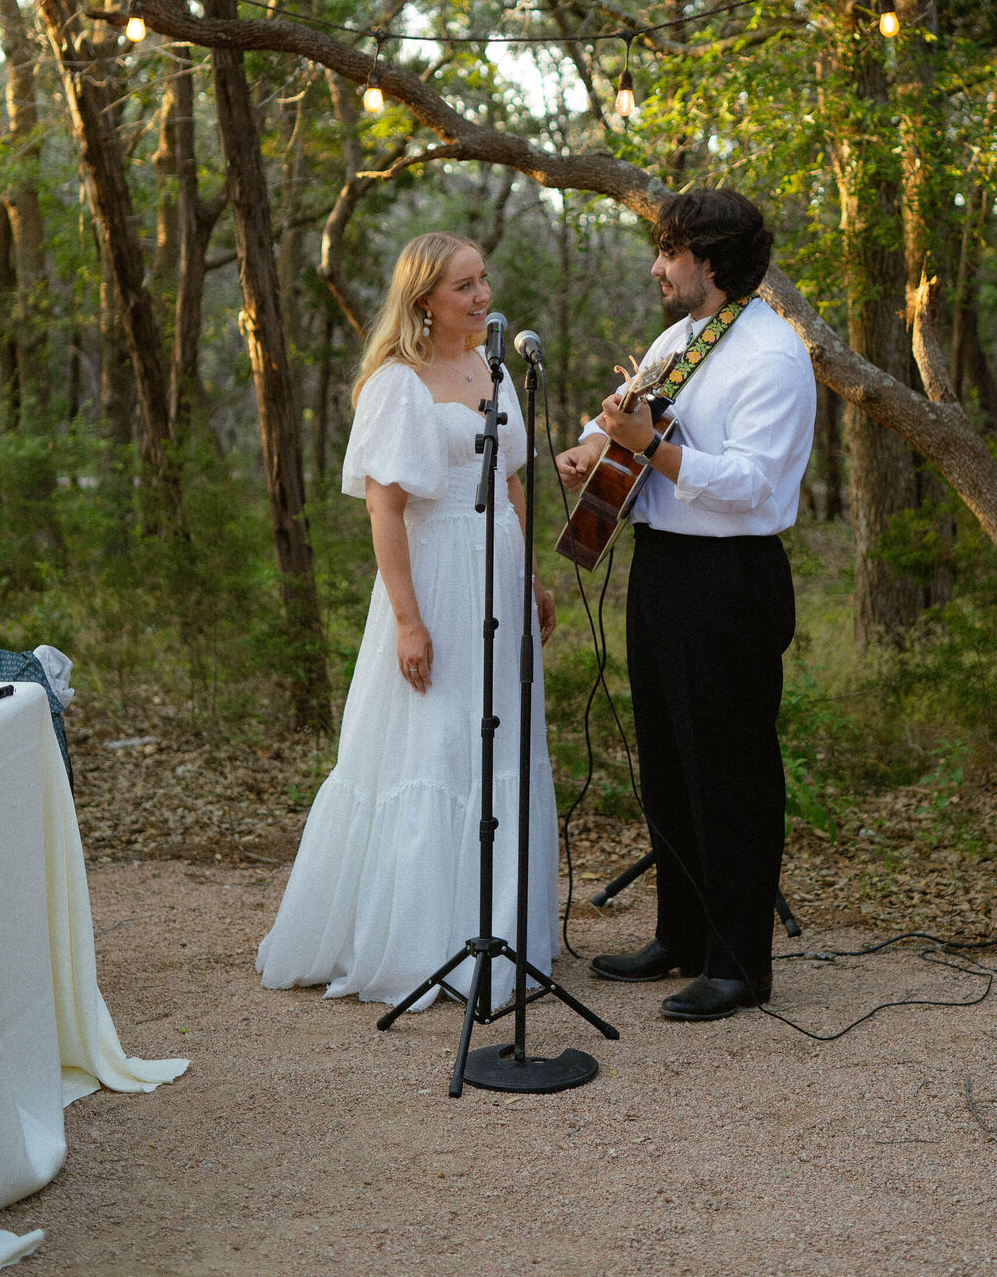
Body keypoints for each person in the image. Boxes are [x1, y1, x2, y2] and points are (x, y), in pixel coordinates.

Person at [257, 232, 560, 1011]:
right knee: (438, 744)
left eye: (484, 279)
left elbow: (514, 481)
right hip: (434, 576)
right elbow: (385, 510)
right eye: (465, 285)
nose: (482, 295)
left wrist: (530, 576)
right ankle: (422, 942)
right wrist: (408, 622)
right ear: (424, 299)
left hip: (497, 574)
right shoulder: (397, 384)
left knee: (496, 742)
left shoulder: (496, 367)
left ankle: (496, 934)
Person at [556, 190, 815, 1022]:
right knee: (667, 758)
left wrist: (654, 452)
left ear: (710, 258)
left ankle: (740, 963)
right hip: (663, 566)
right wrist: (595, 447)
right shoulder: (681, 340)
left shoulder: (771, 356)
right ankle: (682, 934)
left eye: (669, 252)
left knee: (730, 769)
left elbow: (754, 484)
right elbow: (634, 419)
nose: (657, 266)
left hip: (730, 578)